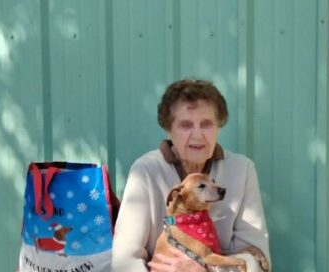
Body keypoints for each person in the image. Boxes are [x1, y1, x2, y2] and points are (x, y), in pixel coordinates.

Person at [111, 79, 271, 272]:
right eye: (186, 125)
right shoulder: (145, 171)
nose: (197, 135)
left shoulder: (242, 169)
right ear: (169, 129)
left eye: (206, 124)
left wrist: (205, 269)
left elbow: (258, 263)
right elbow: (124, 261)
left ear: (218, 126)